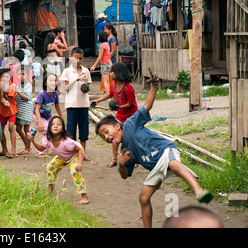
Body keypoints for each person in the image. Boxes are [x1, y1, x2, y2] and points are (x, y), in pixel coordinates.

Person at [95, 70, 213, 228]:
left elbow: (147, 106)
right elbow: (124, 177)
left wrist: (154, 86)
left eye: (106, 132)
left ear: (117, 126)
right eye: (103, 137)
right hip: (155, 166)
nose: (107, 137)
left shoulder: (130, 123)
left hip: (165, 151)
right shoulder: (124, 151)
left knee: (173, 164)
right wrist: (122, 164)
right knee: (143, 198)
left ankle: (199, 191)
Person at [27, 116, 89, 205]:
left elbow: (79, 149)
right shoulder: (48, 140)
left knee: (75, 172)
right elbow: (41, 148)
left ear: (63, 129)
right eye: (53, 124)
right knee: (49, 168)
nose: (55, 126)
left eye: (59, 124)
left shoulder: (67, 142)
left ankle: (84, 196)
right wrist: (32, 140)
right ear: (49, 128)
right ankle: (51, 192)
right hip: (62, 156)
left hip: (74, 155)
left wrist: (79, 163)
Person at [90, 62, 138, 168]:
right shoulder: (114, 84)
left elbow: (131, 103)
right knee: (114, 139)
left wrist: (120, 107)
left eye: (112, 71)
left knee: (130, 138)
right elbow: (109, 94)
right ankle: (114, 159)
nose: (110, 73)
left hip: (131, 117)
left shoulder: (128, 87)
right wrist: (97, 101)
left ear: (118, 73)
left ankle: (133, 159)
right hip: (120, 116)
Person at [59, 47, 93, 161]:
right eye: (75, 58)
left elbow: (88, 87)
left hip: (83, 104)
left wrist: (85, 87)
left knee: (84, 131)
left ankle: (82, 153)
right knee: (71, 131)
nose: (78, 60)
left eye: (80, 58)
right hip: (71, 105)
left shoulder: (86, 71)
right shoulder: (67, 71)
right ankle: (72, 153)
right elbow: (65, 88)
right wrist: (76, 79)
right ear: (70, 58)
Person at [33, 73, 63, 158]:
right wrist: (40, 122)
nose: (53, 82)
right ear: (45, 83)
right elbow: (37, 109)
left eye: (55, 80)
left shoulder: (55, 94)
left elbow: (57, 106)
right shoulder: (42, 94)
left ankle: (57, 148)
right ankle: (40, 151)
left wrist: (61, 118)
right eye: (51, 80)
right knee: (50, 132)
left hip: (48, 116)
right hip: (39, 116)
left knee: (57, 129)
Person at [0, 68, 18, 158]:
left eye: (6, 76)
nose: (4, 78)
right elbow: (1, 98)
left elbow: (8, 99)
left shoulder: (12, 86)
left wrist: (3, 97)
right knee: (1, 130)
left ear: (10, 78)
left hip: (11, 110)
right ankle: (4, 149)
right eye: (2, 77)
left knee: (11, 127)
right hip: (2, 111)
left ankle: (13, 150)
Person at [15, 67, 33, 155]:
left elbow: (26, 98)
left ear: (27, 75)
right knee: (18, 129)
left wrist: (17, 92)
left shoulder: (27, 85)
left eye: (23, 74)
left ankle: (27, 147)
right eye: (19, 74)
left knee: (26, 130)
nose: (21, 76)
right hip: (20, 111)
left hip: (26, 111)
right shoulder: (19, 85)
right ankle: (27, 145)